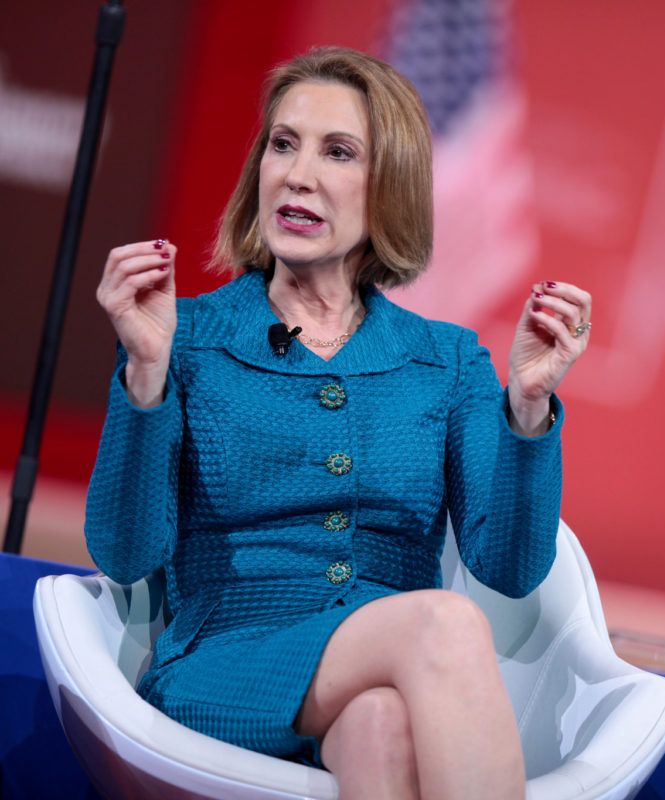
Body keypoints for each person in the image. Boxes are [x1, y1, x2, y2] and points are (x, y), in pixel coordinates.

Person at [86, 46, 591, 800]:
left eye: (338, 152)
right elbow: (125, 555)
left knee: (384, 725)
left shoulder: (447, 360)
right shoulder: (183, 338)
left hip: (380, 675)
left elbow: (510, 569)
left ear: (390, 186)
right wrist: (145, 372)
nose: (298, 174)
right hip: (228, 662)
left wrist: (527, 409)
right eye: (283, 144)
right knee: (446, 625)